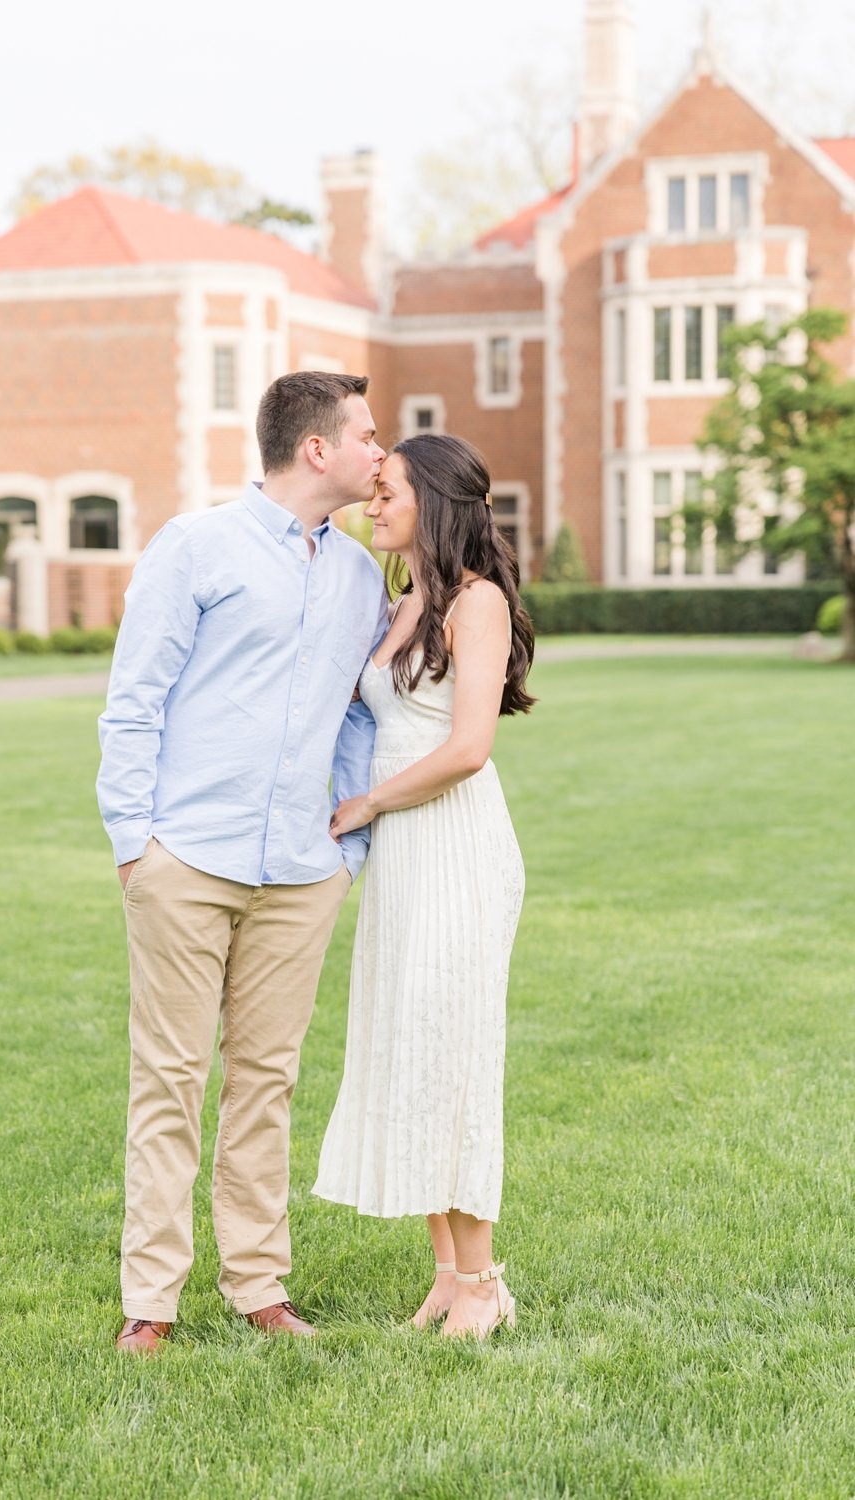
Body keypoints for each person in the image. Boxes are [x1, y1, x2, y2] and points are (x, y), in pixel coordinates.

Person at [97, 371, 389, 1353]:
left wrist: (342, 848)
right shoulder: (196, 547)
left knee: (267, 1081)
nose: (378, 452)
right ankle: (152, 1301)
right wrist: (136, 843)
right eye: (367, 435)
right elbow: (134, 698)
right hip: (187, 857)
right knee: (169, 1081)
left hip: (302, 872)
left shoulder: (358, 577)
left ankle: (259, 1284)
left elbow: (359, 718)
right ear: (317, 449)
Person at [313, 432, 534, 1340]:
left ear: (434, 500)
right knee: (411, 1045)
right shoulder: (402, 599)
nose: (375, 500)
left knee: (453, 1053)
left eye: (390, 489)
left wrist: (367, 804)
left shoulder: (475, 603)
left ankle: (484, 1284)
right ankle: (447, 1276)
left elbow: (468, 747)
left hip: (456, 844)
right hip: (405, 855)